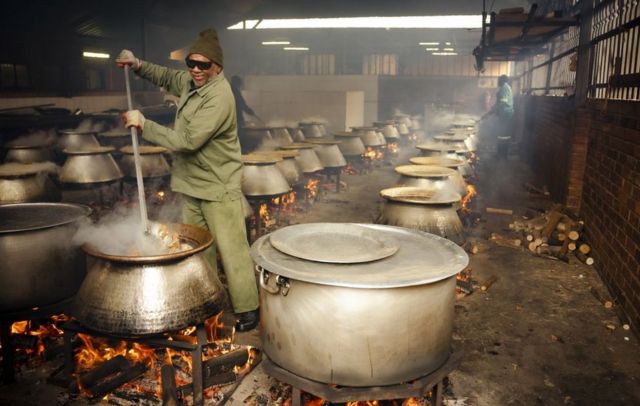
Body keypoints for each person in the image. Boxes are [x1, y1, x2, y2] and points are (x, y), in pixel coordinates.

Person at [116, 28, 260, 332]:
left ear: (217, 67)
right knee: (198, 249)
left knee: (233, 249)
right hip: (191, 183)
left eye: (203, 65)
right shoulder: (191, 82)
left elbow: (187, 140)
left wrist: (144, 124)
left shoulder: (219, 97)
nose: (195, 70)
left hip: (218, 185)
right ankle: (208, 301)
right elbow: (167, 77)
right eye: (191, 63)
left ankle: (248, 308)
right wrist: (138, 64)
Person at [481, 74, 514, 159]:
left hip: (505, 114)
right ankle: (500, 153)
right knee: (501, 134)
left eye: (498, 80)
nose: (497, 82)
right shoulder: (504, 88)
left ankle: (502, 155)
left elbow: (502, 103)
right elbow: (498, 103)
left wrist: (493, 111)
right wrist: (491, 111)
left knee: (503, 135)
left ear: (502, 80)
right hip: (503, 113)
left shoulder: (504, 89)